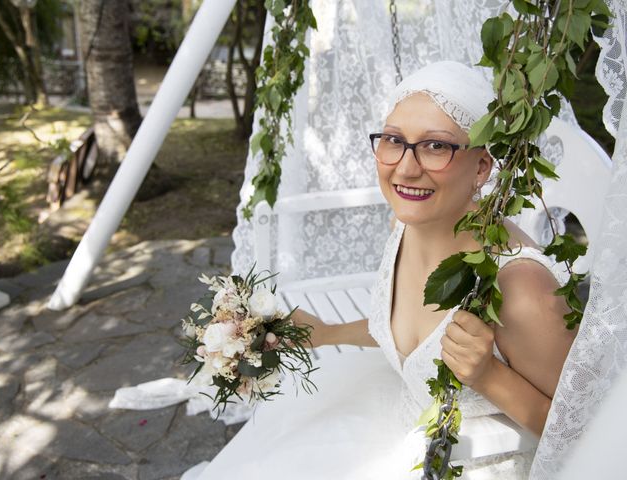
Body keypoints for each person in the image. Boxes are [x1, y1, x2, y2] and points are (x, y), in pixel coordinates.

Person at [193, 61, 576, 479]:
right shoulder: (408, 225)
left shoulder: (520, 286)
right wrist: (328, 333)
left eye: (436, 146)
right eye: (394, 140)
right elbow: (406, 331)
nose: (407, 168)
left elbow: (576, 428)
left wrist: (489, 376)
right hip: (402, 423)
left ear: (482, 167)